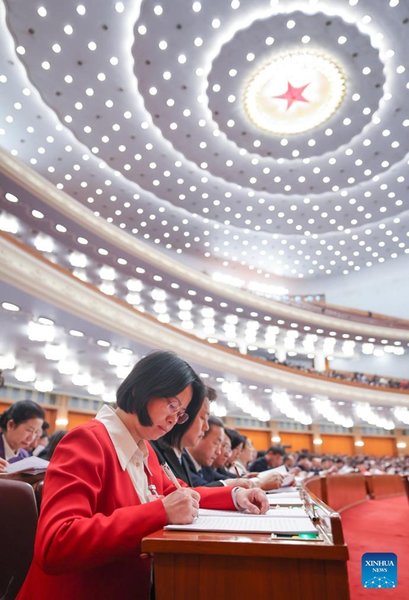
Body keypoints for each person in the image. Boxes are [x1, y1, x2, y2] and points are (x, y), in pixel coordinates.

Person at [18, 351, 268, 600]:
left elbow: (179, 493)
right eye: (172, 405)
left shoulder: (144, 447)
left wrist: (236, 496)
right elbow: (56, 544)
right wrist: (159, 511)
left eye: (180, 413)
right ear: (141, 390)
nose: (174, 419)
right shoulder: (88, 440)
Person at [0, 399, 45, 472]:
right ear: (11, 425)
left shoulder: (25, 456)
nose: (31, 438)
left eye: (36, 432)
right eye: (29, 430)